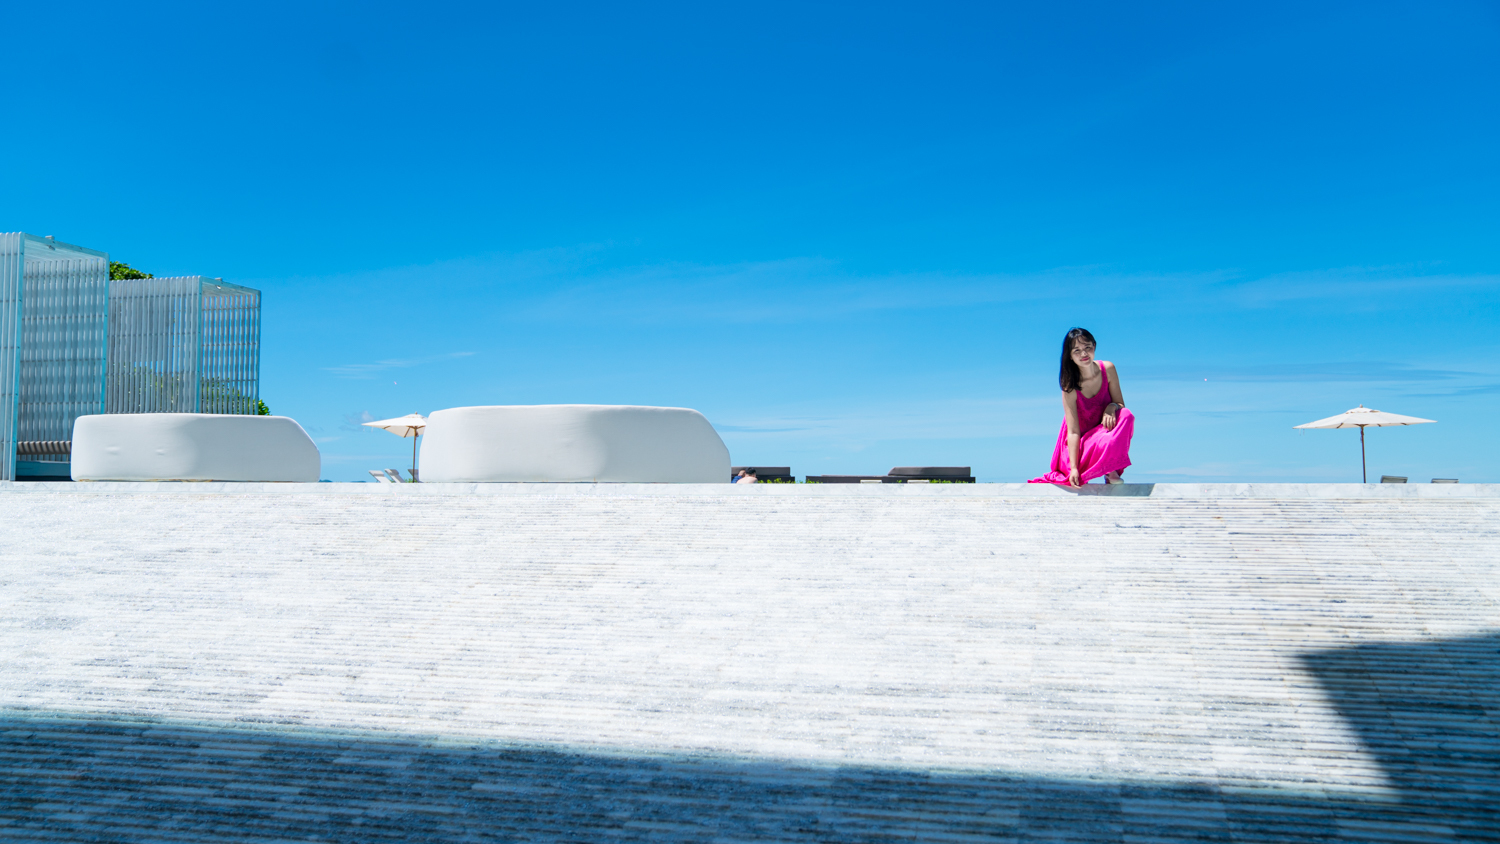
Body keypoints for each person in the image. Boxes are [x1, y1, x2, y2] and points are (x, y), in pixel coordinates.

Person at [1029, 327, 1135, 487]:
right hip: (1082, 444)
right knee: (1103, 439)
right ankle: (1103, 468)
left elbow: (1121, 405)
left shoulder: (1108, 369)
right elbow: (1072, 432)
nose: (1083, 354)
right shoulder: (1070, 386)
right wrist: (1073, 468)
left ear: (1094, 346)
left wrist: (1112, 406)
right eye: (1077, 350)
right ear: (1070, 356)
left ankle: (1110, 470)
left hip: (1103, 433)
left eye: (1087, 348)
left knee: (1126, 415)